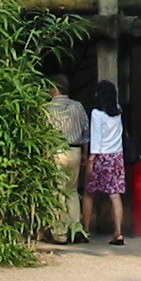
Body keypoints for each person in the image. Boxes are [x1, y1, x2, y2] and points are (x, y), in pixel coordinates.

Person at [43, 74, 89, 244]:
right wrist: (84, 153)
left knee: (57, 192)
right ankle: (75, 229)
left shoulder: (47, 108)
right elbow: (86, 132)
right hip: (75, 151)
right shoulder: (78, 106)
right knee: (72, 191)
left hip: (56, 151)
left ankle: (59, 232)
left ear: (54, 88)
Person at [82, 79, 127, 245]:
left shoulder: (96, 113)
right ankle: (118, 232)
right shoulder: (119, 111)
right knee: (115, 195)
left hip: (101, 156)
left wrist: (91, 160)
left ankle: (85, 230)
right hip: (116, 156)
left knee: (89, 193)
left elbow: (96, 138)